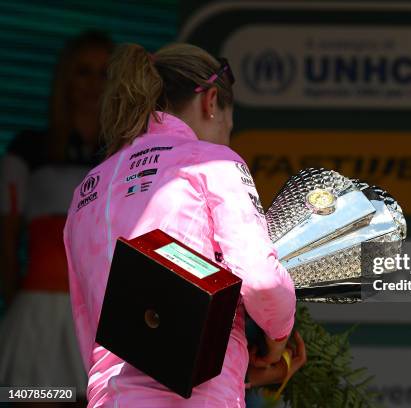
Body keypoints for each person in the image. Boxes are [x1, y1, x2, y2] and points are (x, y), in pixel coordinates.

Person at [62, 43, 305, 407]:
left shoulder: (86, 191)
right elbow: (263, 281)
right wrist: (276, 341)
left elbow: (90, 331)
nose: (227, 137)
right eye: (229, 126)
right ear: (210, 101)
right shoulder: (213, 163)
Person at [0, 30, 113, 406]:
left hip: (106, 320)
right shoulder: (27, 149)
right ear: (65, 79)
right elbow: (5, 236)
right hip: (40, 319)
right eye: (83, 72)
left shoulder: (127, 153)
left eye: (104, 73)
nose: (94, 84)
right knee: (38, 399)